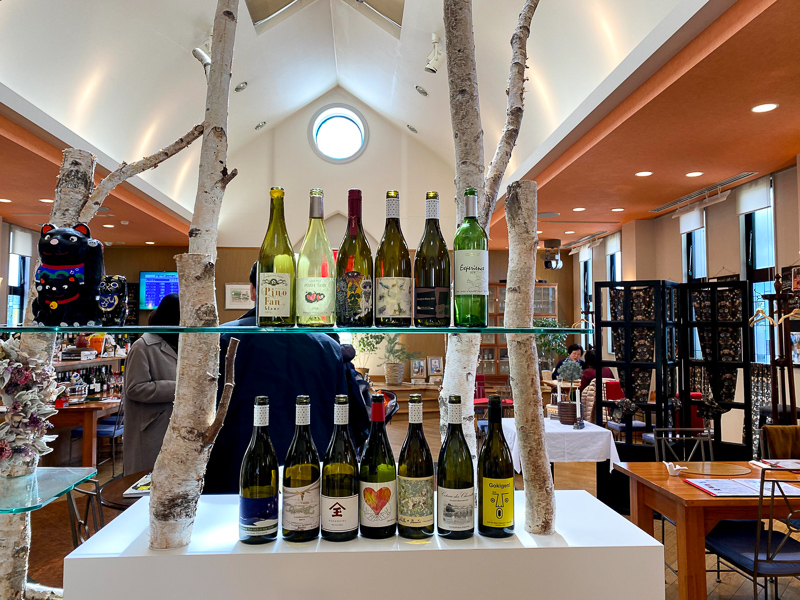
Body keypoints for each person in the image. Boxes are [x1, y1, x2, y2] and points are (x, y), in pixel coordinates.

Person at [203, 263, 370, 494]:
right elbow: (346, 417)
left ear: (253, 291)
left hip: (235, 474)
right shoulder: (327, 346)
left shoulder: (221, 338)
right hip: (311, 472)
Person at [123, 293, 180, 475]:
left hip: (175, 426)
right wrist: (179, 388)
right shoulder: (142, 346)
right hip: (151, 427)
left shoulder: (179, 343)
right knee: (146, 480)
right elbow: (135, 388)